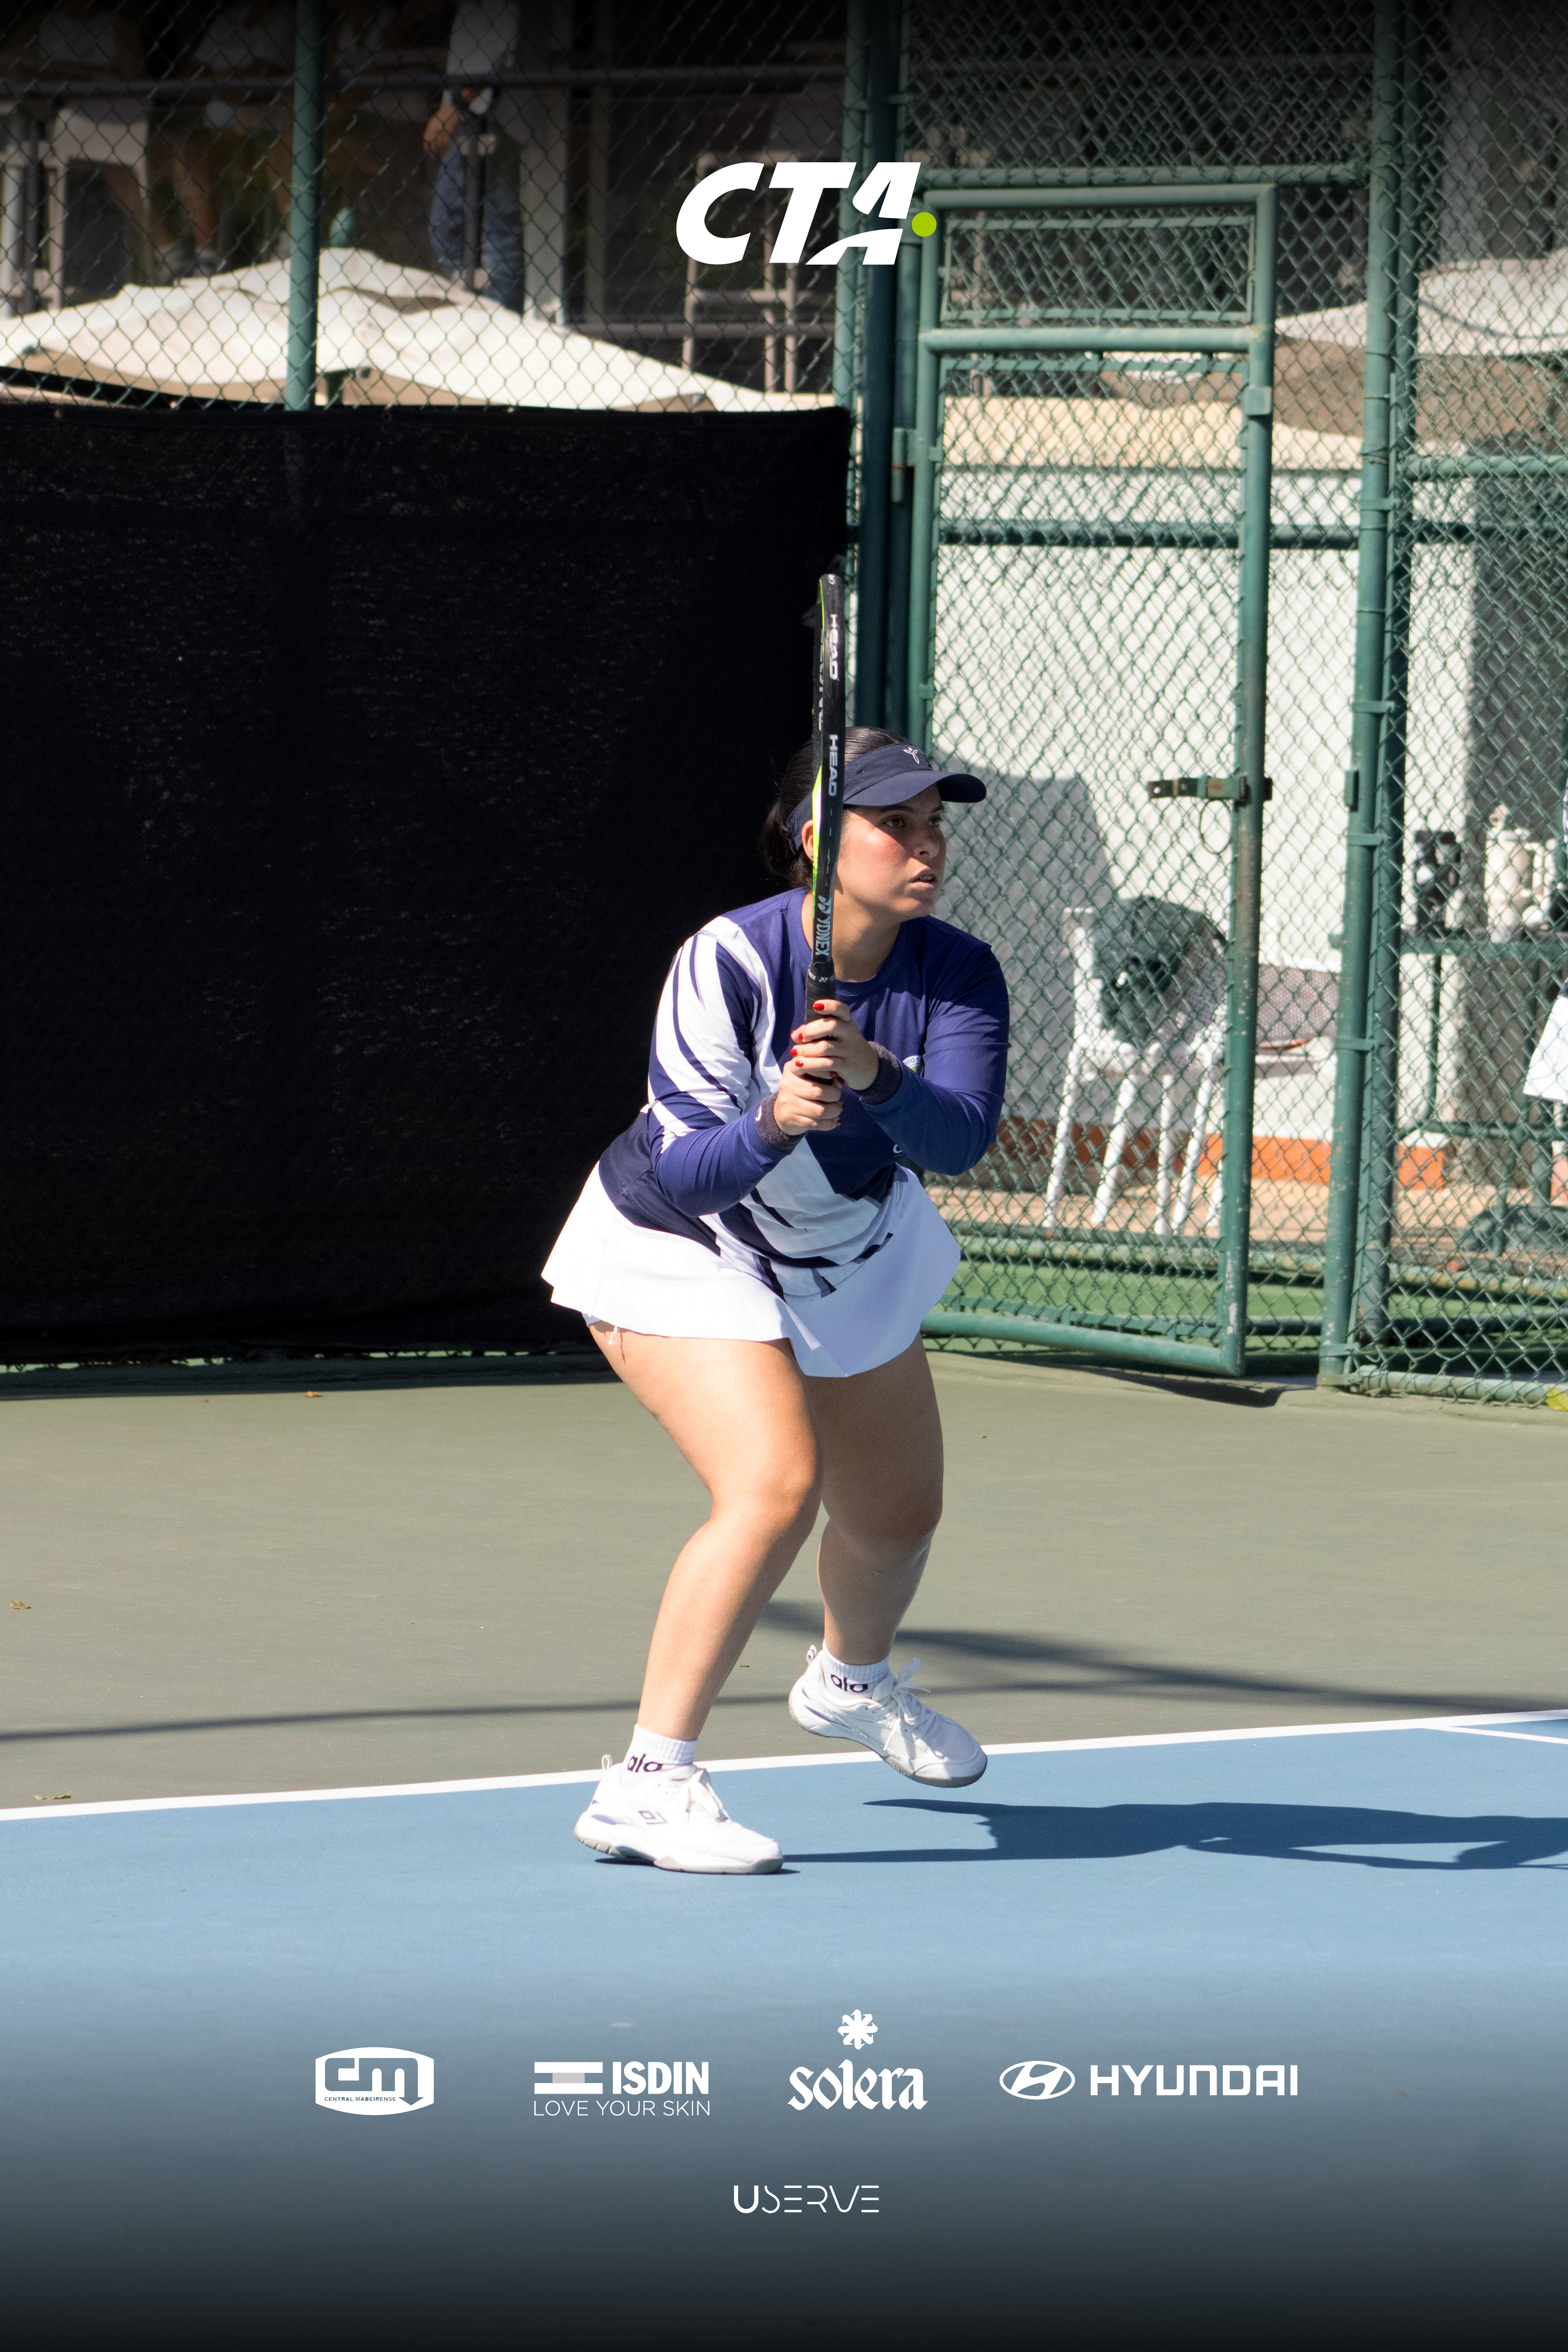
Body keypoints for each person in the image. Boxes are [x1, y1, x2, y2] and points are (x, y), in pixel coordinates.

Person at [542, 730, 1010, 1875]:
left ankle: (851, 1680)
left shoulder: (955, 970)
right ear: (817, 841)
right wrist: (770, 1122)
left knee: (898, 1514)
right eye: (895, 823)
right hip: (683, 1240)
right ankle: (648, 1780)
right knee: (773, 1484)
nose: (925, 844)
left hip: (848, 1243)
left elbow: (961, 1136)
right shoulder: (727, 961)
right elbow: (690, 1166)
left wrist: (867, 1074)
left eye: (933, 823)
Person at [421, 0, 525, 312]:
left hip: (487, 119)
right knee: (454, 228)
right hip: (470, 120)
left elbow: (498, 60)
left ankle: (497, 322)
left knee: (494, 238)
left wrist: (454, 108)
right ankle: (474, 310)